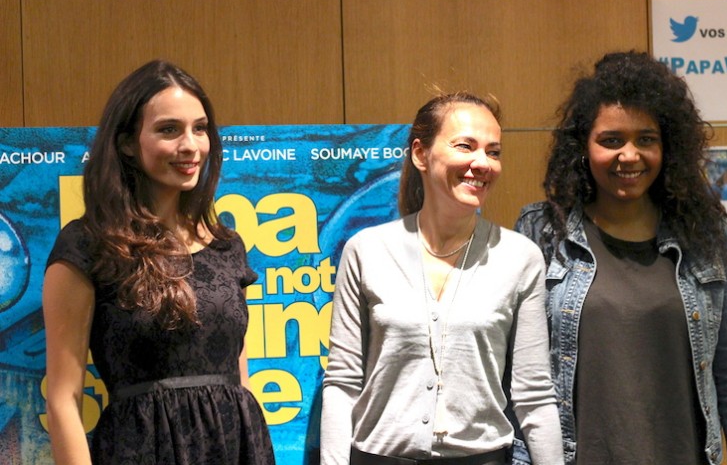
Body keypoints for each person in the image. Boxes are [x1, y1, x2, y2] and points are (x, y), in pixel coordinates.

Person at [515, 51, 727, 464]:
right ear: (583, 146)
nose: (629, 155)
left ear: (668, 146)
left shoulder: (705, 235)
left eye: (646, 139)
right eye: (611, 140)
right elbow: (521, 386)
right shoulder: (542, 233)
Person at [43, 60, 275, 464]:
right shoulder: (88, 245)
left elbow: (239, 379)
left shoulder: (226, 246)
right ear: (127, 143)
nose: (191, 145)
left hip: (235, 446)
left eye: (200, 128)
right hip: (143, 449)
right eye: (169, 129)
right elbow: (64, 399)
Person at [321, 91, 564, 465]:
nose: (482, 163)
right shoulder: (366, 250)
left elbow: (534, 397)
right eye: (465, 146)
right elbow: (343, 383)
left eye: (493, 152)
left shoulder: (520, 258)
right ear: (421, 154)